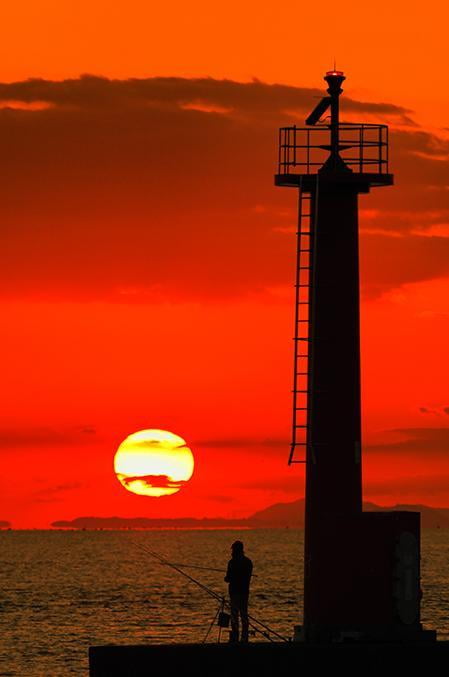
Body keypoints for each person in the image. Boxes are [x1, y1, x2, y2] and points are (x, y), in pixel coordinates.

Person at [224, 540, 253, 643]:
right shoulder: (248, 562)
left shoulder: (232, 562)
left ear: (236, 550)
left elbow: (228, 578)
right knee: (244, 614)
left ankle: (235, 637)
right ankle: (245, 637)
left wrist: (227, 578)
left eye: (233, 550)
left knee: (234, 615)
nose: (232, 552)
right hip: (245, 592)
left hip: (235, 592)